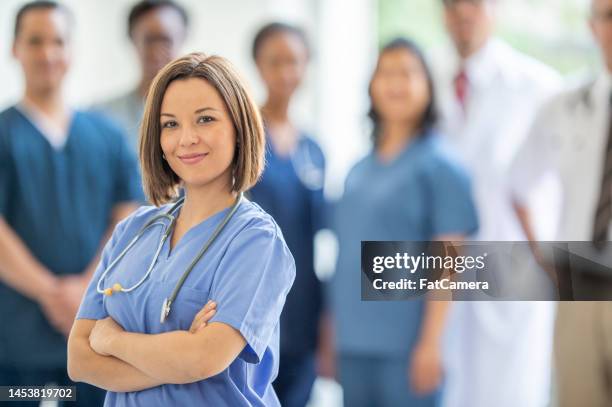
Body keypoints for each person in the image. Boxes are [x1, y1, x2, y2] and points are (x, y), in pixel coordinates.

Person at [67, 52, 296, 406]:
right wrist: (179, 355)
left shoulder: (256, 240)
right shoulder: (133, 232)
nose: (186, 138)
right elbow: (79, 360)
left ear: (239, 128)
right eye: (170, 124)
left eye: (205, 119)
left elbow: (204, 358)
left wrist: (112, 341)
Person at [0, 2, 143, 406]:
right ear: (15, 49)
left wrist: (85, 290)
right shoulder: (5, 133)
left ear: (72, 50)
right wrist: (53, 293)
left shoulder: (108, 137)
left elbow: (125, 219)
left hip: (94, 338)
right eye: (35, 41)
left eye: (58, 41)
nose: (48, 53)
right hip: (15, 345)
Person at [330, 38, 478, 407]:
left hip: (408, 349)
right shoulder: (356, 171)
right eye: (386, 73)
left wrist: (431, 343)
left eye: (407, 73)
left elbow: (450, 261)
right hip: (353, 344)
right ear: (371, 86)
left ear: (428, 87)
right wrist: (331, 331)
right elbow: (345, 256)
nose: (396, 84)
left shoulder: (442, 167)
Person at [432, 1, 561, 406]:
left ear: (495, 9)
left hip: (514, 270)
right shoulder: (426, 80)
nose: (462, 12)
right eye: (451, 4)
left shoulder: (539, 86)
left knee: (512, 391)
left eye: (474, 3)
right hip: (441, 272)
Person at [510, 0, 612, 404]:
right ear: (592, 27)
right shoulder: (563, 105)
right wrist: (542, 254)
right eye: (608, 15)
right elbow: (519, 183)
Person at [248, 22, 326, 407]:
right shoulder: (241, 139)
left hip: (304, 312)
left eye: (294, 62)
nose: (285, 72)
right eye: (274, 61)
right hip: (251, 306)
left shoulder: (313, 148)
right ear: (258, 67)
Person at [95, 0, 189, 151]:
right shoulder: (102, 117)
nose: (157, 50)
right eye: (149, 40)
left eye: (165, 40)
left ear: (182, 38)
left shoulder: (204, 113)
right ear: (133, 40)